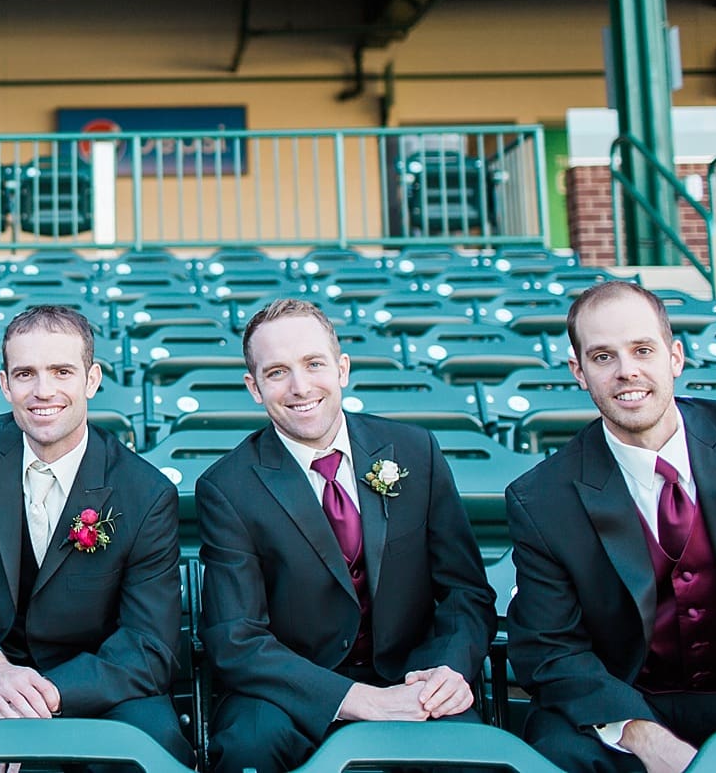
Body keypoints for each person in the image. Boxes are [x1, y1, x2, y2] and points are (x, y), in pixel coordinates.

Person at [197, 298, 496, 773]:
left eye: (314, 364)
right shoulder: (228, 487)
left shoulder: (416, 452)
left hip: (414, 679)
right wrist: (360, 700)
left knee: (468, 754)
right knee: (247, 746)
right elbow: (236, 637)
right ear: (254, 388)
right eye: (277, 372)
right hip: (290, 694)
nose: (300, 387)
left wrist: (450, 669)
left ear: (342, 368)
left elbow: (465, 591)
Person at [0, 304, 194, 769]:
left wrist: (41, 699)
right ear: (5, 383)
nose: (43, 391)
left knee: (153, 744)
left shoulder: (146, 492)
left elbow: (148, 643)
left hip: (97, 682)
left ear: (91, 380)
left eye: (61, 371)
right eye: (26, 374)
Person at [507, 281, 716, 773]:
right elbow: (549, 649)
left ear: (675, 356)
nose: (626, 372)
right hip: (634, 698)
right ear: (579, 372)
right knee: (557, 749)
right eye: (602, 357)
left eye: (642, 350)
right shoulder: (541, 498)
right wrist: (640, 734)